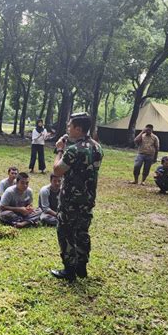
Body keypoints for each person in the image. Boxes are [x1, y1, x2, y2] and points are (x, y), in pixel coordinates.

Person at [50, 112, 103, 282]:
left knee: (65, 232)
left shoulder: (73, 150)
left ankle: (69, 269)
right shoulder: (97, 147)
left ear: (78, 129)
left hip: (71, 199)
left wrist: (59, 149)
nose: (67, 129)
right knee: (82, 231)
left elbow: (57, 170)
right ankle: (82, 265)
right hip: (88, 198)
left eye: (69, 126)